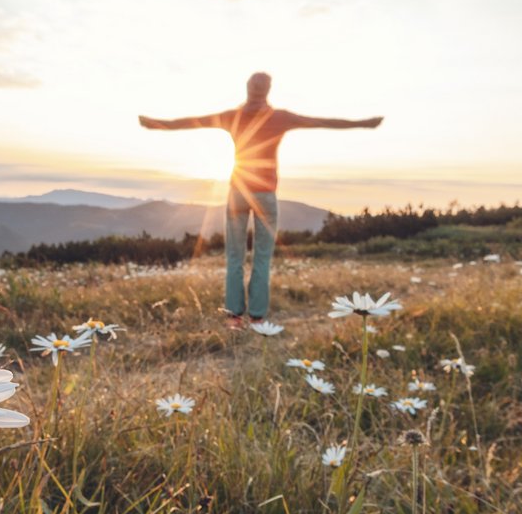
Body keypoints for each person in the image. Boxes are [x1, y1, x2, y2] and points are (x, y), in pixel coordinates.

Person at [140, 72, 382, 328]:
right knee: (262, 257)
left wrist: (155, 123)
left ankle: (234, 317)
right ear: (269, 90)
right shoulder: (280, 118)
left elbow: (192, 122)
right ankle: (257, 316)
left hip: (238, 192)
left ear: (247, 88)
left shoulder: (233, 116)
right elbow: (322, 122)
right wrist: (364, 123)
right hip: (265, 194)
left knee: (234, 257)